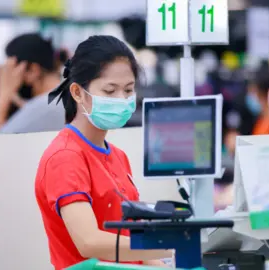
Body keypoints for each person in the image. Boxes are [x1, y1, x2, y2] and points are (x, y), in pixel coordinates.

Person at [34, 36, 171, 270]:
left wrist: (165, 263)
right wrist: (170, 246)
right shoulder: (65, 157)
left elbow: (130, 239)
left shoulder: (118, 156)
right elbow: (90, 242)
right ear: (77, 93)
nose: (122, 99)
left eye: (128, 90)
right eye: (110, 91)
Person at [0, 33, 64, 133]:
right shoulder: (61, 97)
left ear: (33, 70)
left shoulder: (42, 106)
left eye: (11, 69)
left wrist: (3, 94)